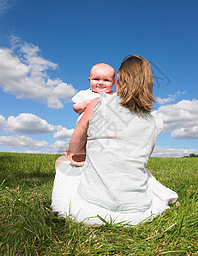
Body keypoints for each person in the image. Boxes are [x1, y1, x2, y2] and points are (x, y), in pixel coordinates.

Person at [51, 55, 178, 226]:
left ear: (118, 82)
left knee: (61, 162)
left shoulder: (97, 103)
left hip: (88, 211)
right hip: (138, 215)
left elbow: (74, 148)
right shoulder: (155, 121)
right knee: (145, 175)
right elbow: (144, 158)